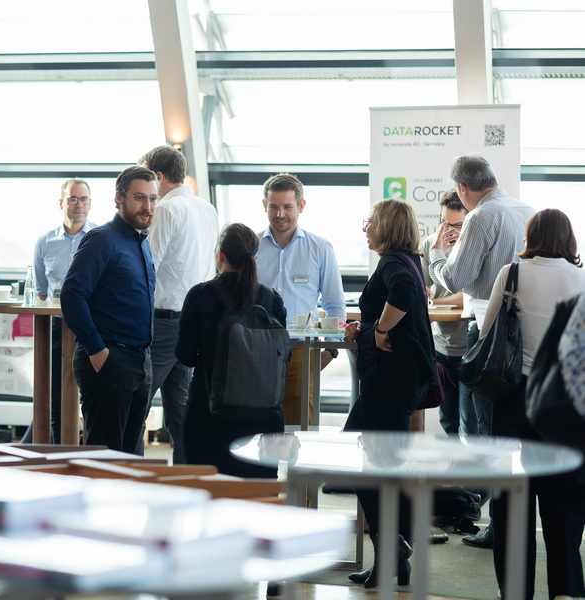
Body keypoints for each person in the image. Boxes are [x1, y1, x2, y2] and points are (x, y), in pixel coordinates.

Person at [479, 209, 585, 600]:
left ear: (531, 237)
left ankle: (515, 592)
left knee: (511, 501)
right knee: (565, 502)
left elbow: (487, 333)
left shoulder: (511, 275)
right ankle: (566, 591)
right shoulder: (582, 280)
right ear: (569, 240)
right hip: (565, 404)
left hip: (514, 397)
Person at [428, 154, 533, 549]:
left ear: (463, 189)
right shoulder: (526, 210)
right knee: (507, 431)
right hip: (521, 336)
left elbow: (455, 278)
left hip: (487, 334)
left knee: (484, 434)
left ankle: (496, 526)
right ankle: (503, 523)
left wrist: (436, 256)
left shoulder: (480, 216)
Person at [343, 199, 438, 589]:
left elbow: (403, 292)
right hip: (399, 379)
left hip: (390, 380)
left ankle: (392, 545)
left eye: (371, 221)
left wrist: (379, 329)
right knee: (375, 459)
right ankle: (392, 555)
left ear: (387, 227)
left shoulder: (393, 263)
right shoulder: (408, 259)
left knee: (372, 462)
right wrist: (366, 328)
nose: (366, 227)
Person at [175, 223, 287, 476]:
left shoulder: (199, 296)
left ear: (220, 255)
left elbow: (185, 356)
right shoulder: (272, 300)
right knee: (259, 495)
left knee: (207, 493)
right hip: (265, 424)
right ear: (255, 259)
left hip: (209, 419)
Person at [61, 166, 157, 453]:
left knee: (130, 458)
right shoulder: (101, 239)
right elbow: (72, 294)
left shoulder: (141, 242)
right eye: (139, 198)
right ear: (119, 197)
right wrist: (97, 350)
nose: (148, 206)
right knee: (105, 459)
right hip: (109, 360)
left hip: (140, 361)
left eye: (153, 198)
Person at [137, 145, 219, 464]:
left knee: (136, 406)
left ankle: (129, 478)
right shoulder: (207, 208)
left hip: (162, 323)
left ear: (158, 176)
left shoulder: (167, 209)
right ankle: (187, 480)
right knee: (182, 414)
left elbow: (148, 267)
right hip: (192, 320)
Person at [256, 173, 345, 426]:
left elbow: (334, 304)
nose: (280, 214)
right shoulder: (251, 246)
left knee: (299, 430)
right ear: (264, 205)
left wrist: (331, 349)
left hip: (300, 350)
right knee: (258, 426)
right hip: (256, 349)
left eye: (287, 206)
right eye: (273, 206)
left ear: (301, 206)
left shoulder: (320, 248)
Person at [21, 177, 96, 444]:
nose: (79, 205)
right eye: (73, 199)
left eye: (84, 199)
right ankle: (57, 456)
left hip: (93, 329)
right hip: (56, 329)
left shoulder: (101, 239)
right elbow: (41, 290)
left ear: (90, 203)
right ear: (61, 203)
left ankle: (89, 457)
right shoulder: (45, 242)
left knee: (93, 398)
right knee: (56, 400)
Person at [420, 189, 472, 435]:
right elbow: (420, 288)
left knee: (470, 422)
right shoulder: (430, 244)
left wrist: (437, 301)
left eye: (457, 225)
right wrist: (426, 293)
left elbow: (470, 296)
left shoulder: (474, 247)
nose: (449, 230)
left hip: (471, 345)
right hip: (441, 345)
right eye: (444, 223)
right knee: (449, 420)